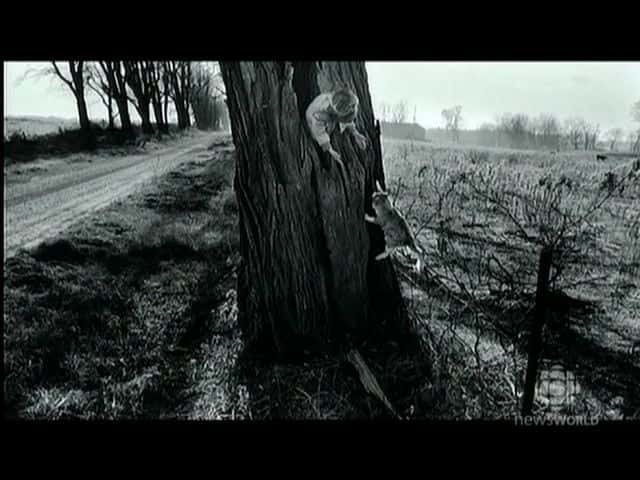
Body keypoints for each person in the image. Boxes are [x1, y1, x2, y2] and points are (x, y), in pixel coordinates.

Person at [306, 88, 368, 169]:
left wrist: (355, 133)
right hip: (311, 126)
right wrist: (329, 149)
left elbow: (347, 120)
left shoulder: (339, 102)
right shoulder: (322, 113)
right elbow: (318, 131)